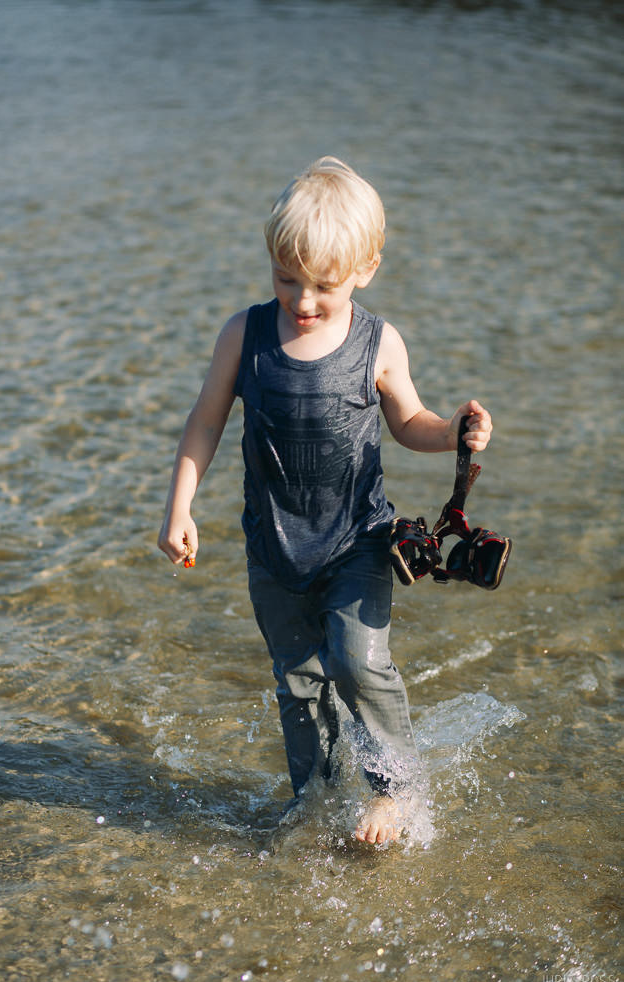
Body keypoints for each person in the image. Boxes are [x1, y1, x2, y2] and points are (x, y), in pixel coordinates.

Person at [158, 157, 492, 846]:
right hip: (272, 545)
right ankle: (311, 798)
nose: (302, 300)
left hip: (356, 541)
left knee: (356, 661)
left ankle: (392, 792)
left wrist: (455, 432)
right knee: (299, 682)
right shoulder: (243, 336)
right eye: (286, 279)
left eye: (323, 286)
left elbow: (409, 423)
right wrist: (179, 508)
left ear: (365, 269)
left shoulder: (376, 342)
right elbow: (205, 421)